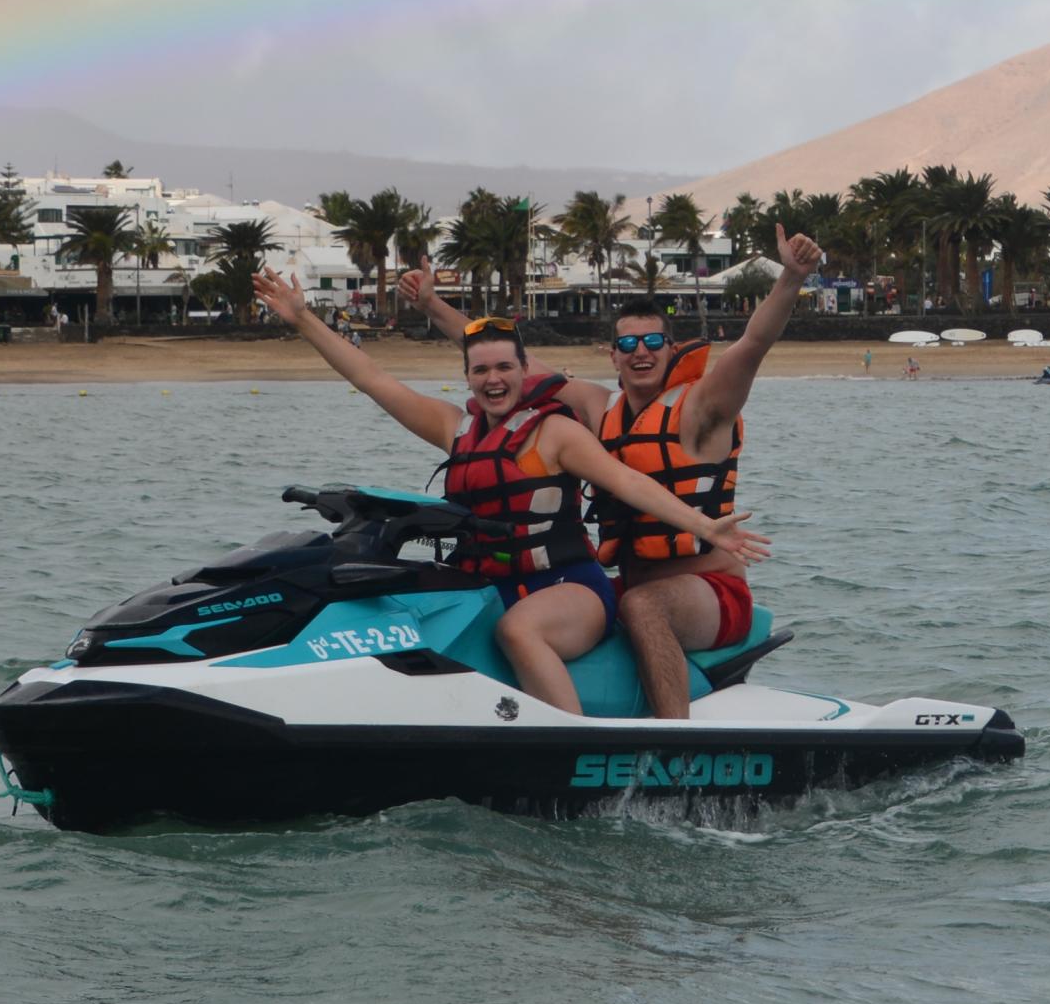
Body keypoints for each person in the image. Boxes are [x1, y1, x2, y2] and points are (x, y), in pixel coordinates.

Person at [252, 269, 766, 715]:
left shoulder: (558, 433)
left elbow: (629, 482)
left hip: (567, 585)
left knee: (519, 631)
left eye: (505, 368)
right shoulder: (455, 428)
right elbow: (372, 379)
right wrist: (303, 319)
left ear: (526, 373)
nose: (493, 379)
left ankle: (571, 740)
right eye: (481, 370)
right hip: (492, 580)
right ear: (468, 378)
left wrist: (704, 526)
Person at [401, 229, 826, 720]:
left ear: (669, 349)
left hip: (710, 591)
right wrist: (432, 305)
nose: (639, 351)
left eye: (651, 341)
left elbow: (754, 343)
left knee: (642, 607)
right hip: (630, 579)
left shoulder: (703, 408)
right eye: (627, 342)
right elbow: (504, 361)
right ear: (613, 354)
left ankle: (677, 745)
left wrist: (792, 277)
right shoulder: (598, 408)